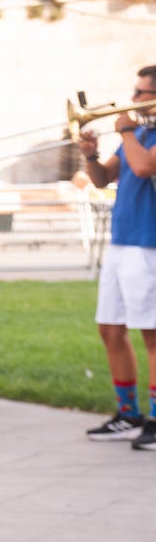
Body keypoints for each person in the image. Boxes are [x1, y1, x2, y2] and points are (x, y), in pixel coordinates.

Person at [79, 64, 156, 447]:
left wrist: (125, 129)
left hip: (149, 244)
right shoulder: (138, 131)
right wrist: (91, 156)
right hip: (122, 241)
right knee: (110, 328)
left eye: (141, 93)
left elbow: (143, 167)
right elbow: (104, 178)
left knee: (152, 335)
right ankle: (128, 414)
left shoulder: (141, 134)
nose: (134, 98)